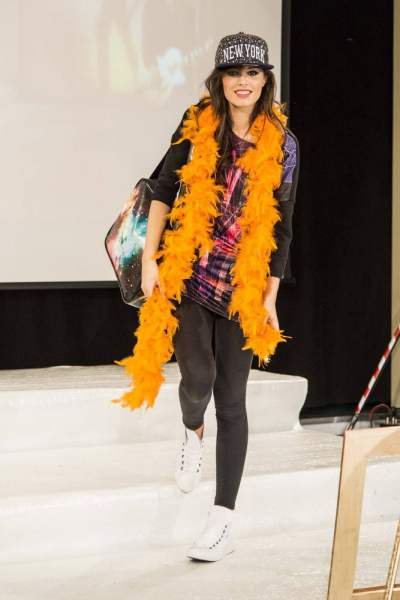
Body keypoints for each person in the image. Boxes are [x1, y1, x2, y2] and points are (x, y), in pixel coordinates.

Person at [115, 32, 300, 562]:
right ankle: (192, 431)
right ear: (220, 80)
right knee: (197, 379)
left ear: (265, 80)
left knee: (232, 397)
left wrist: (269, 297)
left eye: (253, 73)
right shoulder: (197, 123)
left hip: (243, 283)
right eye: (233, 72)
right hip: (191, 272)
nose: (243, 82)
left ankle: (222, 519)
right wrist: (151, 260)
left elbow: (282, 226)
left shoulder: (284, 144)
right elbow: (162, 189)